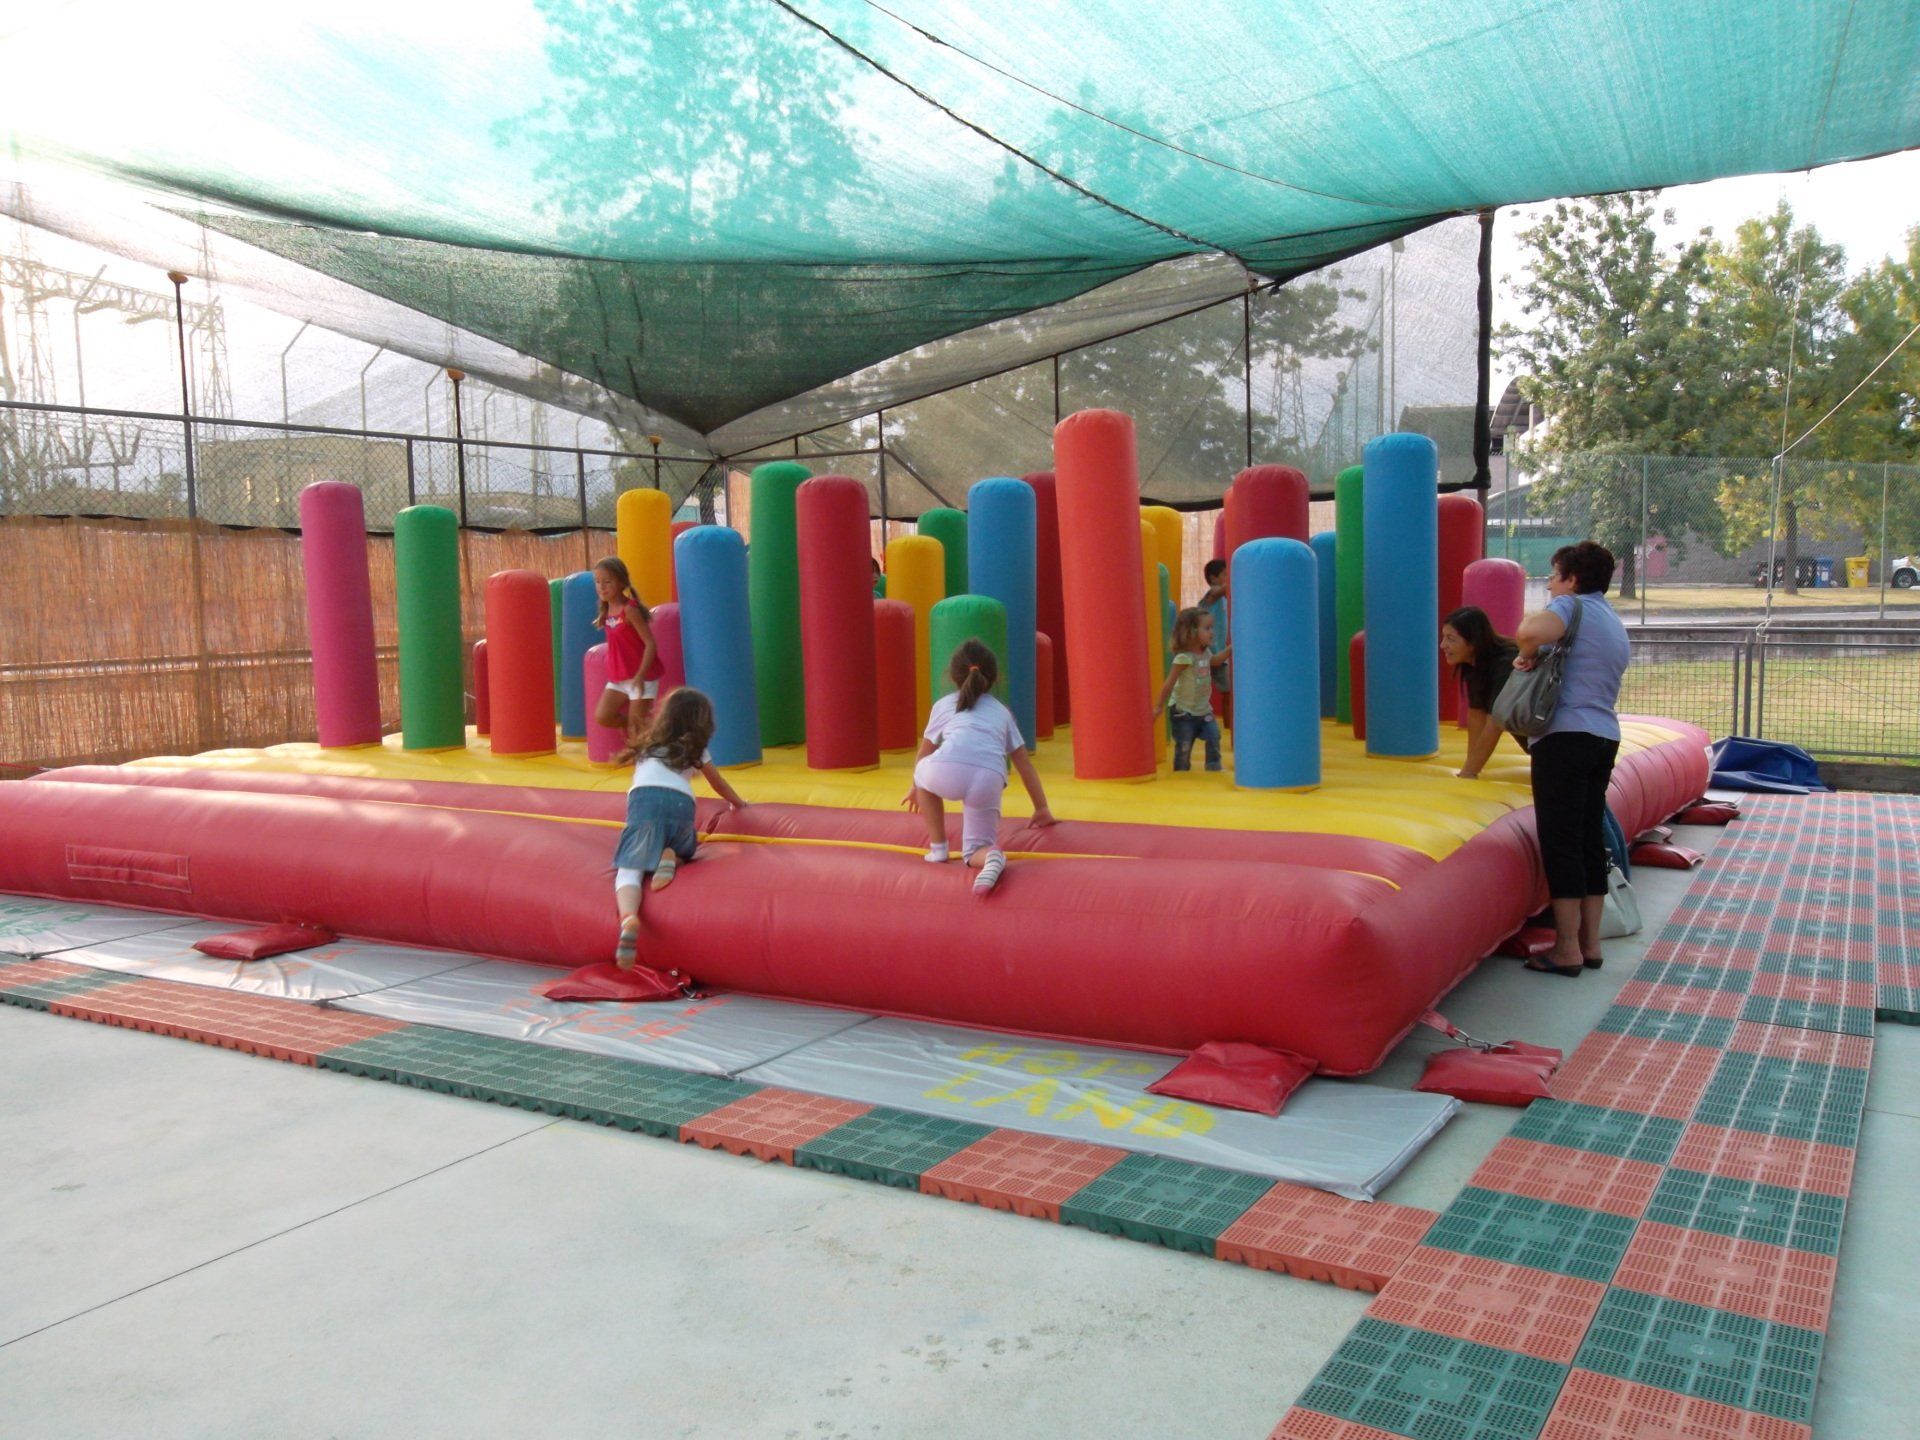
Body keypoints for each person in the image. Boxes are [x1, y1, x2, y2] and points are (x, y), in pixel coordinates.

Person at [1513, 541, 1631, 977]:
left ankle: (1565, 948)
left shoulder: (1570, 609)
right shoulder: (1612, 621)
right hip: (1604, 737)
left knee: (1560, 840)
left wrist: (1527, 654)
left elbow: (1528, 633)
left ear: (1572, 579)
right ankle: (1590, 942)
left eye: (1554, 577)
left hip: (1565, 737)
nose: (1550, 586)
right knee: (1586, 839)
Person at [905, 639, 1055, 896]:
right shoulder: (1002, 712)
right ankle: (990, 855)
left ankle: (939, 848)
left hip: (947, 772)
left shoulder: (943, 705)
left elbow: (924, 753)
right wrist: (1041, 808)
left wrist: (916, 787)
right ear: (994, 678)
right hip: (989, 778)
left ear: (952, 677)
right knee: (975, 849)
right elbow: (1024, 764)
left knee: (922, 772)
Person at [611, 688, 748, 968]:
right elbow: (718, 784)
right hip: (681, 804)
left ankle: (628, 918)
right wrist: (739, 805)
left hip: (644, 801)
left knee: (630, 868)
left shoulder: (647, 744)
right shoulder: (695, 749)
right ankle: (673, 853)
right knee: (687, 845)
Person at [1441, 605, 1520, 780]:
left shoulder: (1506, 662)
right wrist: (1470, 767)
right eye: (1443, 637)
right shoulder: (1474, 664)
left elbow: (1495, 722)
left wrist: (1470, 771)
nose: (1443, 645)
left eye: (1450, 639)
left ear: (1473, 642)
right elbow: (1476, 714)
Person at [590, 557, 658, 755]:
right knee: (603, 716)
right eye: (597, 581)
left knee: (636, 735)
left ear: (621, 583)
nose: (601, 587)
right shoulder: (607, 609)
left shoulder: (630, 610)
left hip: (641, 677)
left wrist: (640, 675)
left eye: (607, 581)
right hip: (620, 678)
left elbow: (650, 644)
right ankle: (649, 727)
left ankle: (646, 757)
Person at [1154, 607, 1230, 771]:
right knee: (1184, 746)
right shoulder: (1184, 658)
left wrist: (1230, 650)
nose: (1212, 632)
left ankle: (1213, 765)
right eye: (1207, 628)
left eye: (1212, 628)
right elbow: (1169, 683)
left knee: (1214, 735)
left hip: (1203, 710)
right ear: (1192, 632)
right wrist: (1159, 706)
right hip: (1184, 712)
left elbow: (1215, 661)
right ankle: (1181, 772)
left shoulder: (1205, 652)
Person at [1198, 558, 1231, 695]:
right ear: (1213, 578)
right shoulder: (1211, 594)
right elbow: (1222, 590)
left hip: (1219, 650)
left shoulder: (1222, 599)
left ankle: (1228, 715)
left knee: (1227, 689)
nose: (1228, 578)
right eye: (1225, 574)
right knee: (1227, 689)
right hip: (1211, 650)